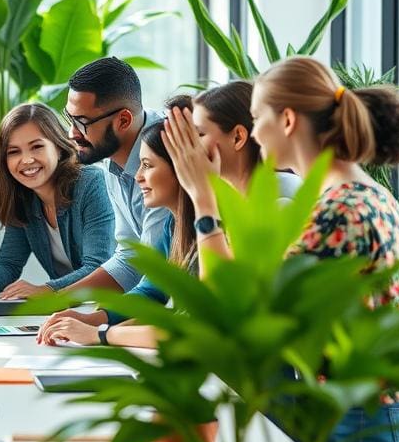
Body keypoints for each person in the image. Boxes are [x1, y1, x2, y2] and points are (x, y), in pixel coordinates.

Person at [166, 57, 399, 442]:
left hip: (368, 416)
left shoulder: (340, 208)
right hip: (374, 410)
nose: (256, 132)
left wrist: (203, 200)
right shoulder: (348, 194)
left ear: (286, 120)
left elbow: (242, 310)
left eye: (259, 118)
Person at [38, 83, 301, 346]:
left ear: (237, 138)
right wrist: (96, 323)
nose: (183, 149)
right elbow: (165, 300)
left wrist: (101, 334)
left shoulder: (276, 205)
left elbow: (210, 319)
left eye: (196, 135)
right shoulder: (206, 210)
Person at [38, 98, 197, 348]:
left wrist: (101, 333)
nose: (137, 176)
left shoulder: (208, 230)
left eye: (147, 165)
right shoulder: (173, 227)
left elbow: (187, 327)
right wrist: (92, 320)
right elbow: (151, 291)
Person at [0, 103, 115, 299]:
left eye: (37, 147)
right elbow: (7, 264)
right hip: (72, 307)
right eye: (14, 152)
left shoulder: (90, 183)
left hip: (123, 308)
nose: (26, 160)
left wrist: (45, 290)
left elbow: (98, 268)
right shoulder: (24, 199)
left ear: (58, 147)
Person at [61, 57, 169, 292]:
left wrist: (97, 324)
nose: (72, 133)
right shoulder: (112, 156)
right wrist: (56, 299)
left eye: (81, 122)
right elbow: (131, 258)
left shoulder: (166, 158)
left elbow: (154, 270)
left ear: (123, 120)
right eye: (69, 118)